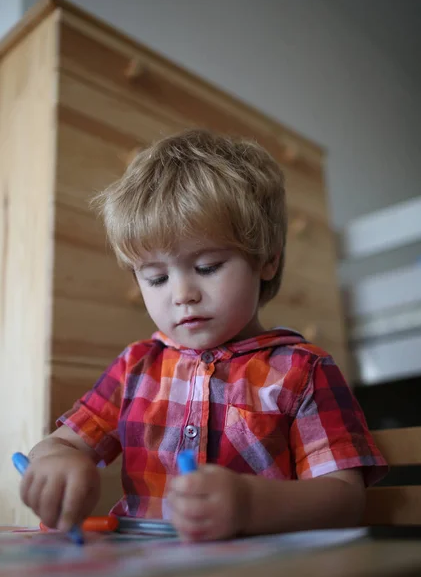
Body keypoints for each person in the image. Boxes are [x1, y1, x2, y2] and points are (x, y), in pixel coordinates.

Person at [19, 129, 387, 541]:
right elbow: (60, 445)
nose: (182, 295)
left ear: (266, 261)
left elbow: (345, 500)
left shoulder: (303, 371)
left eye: (208, 267)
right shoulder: (136, 366)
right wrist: (55, 460)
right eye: (156, 277)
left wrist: (249, 504)